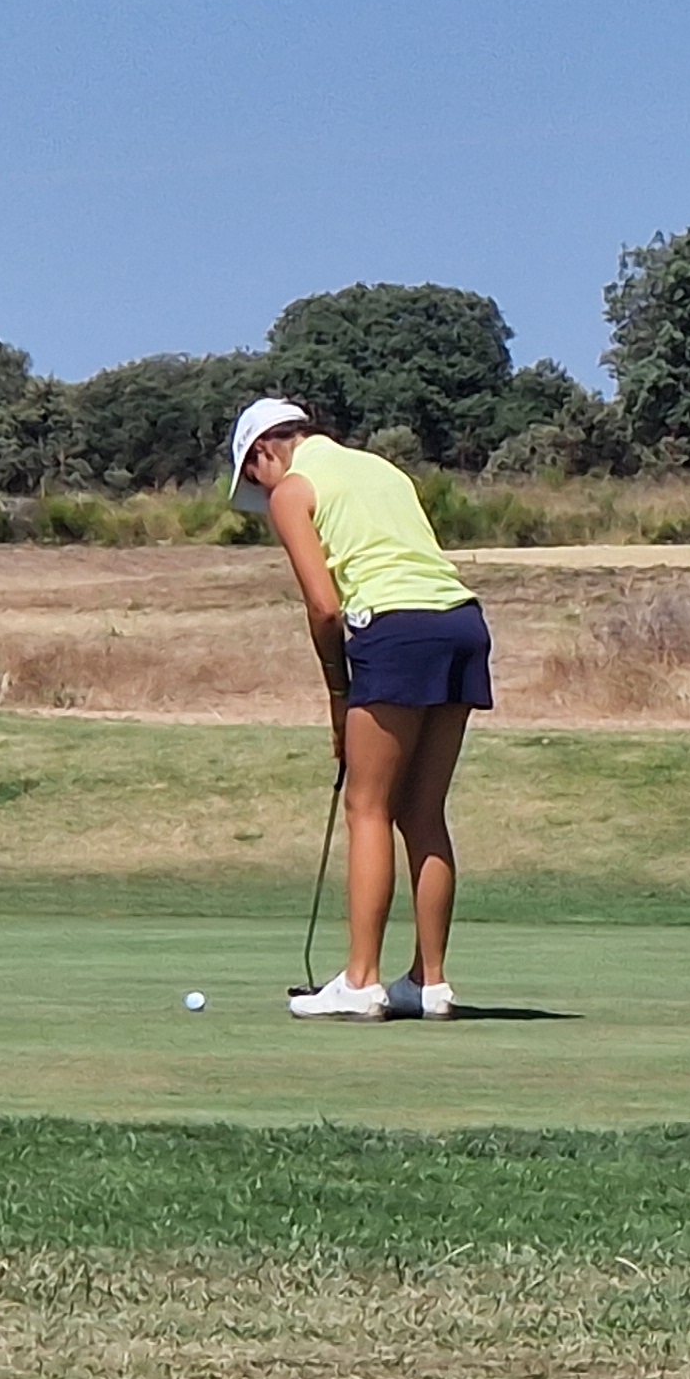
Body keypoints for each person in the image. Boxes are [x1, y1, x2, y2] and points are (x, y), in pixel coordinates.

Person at [226, 394, 492, 1021]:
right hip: (462, 625)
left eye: (254, 481)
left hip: (394, 632)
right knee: (422, 811)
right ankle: (429, 984)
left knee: (367, 806)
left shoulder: (294, 489)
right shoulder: (381, 468)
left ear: (265, 451)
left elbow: (324, 607)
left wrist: (337, 694)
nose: (264, 496)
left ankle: (362, 982)